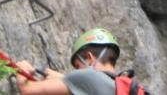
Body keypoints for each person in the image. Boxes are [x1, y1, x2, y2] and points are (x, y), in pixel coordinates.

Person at [14, 29, 146, 94]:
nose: (77, 71)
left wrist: (22, 71)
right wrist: (65, 79)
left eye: (78, 66)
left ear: (89, 58)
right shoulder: (118, 87)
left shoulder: (85, 76)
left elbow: (28, 89)